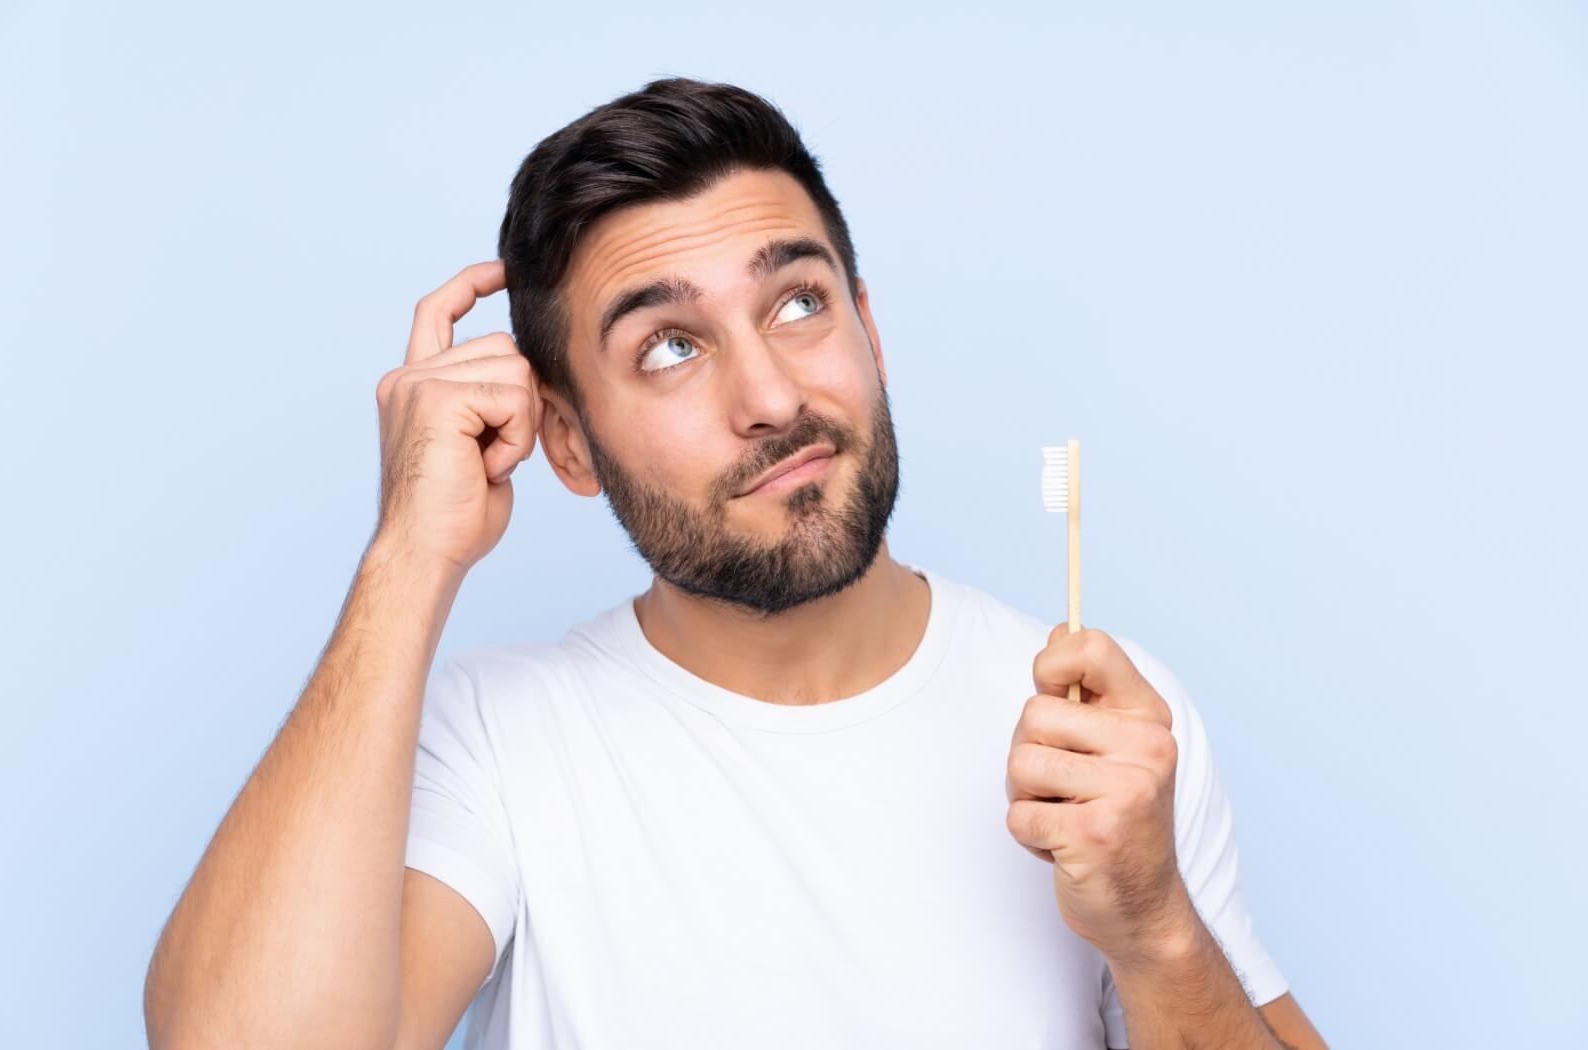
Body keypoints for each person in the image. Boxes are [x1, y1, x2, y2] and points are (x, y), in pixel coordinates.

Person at [142, 77, 1326, 1050]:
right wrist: (409, 550)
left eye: (799, 304)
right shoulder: (497, 740)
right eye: (666, 347)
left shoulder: (1096, 723)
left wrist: (1157, 928)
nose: (769, 397)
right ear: (566, 440)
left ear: (868, 322)